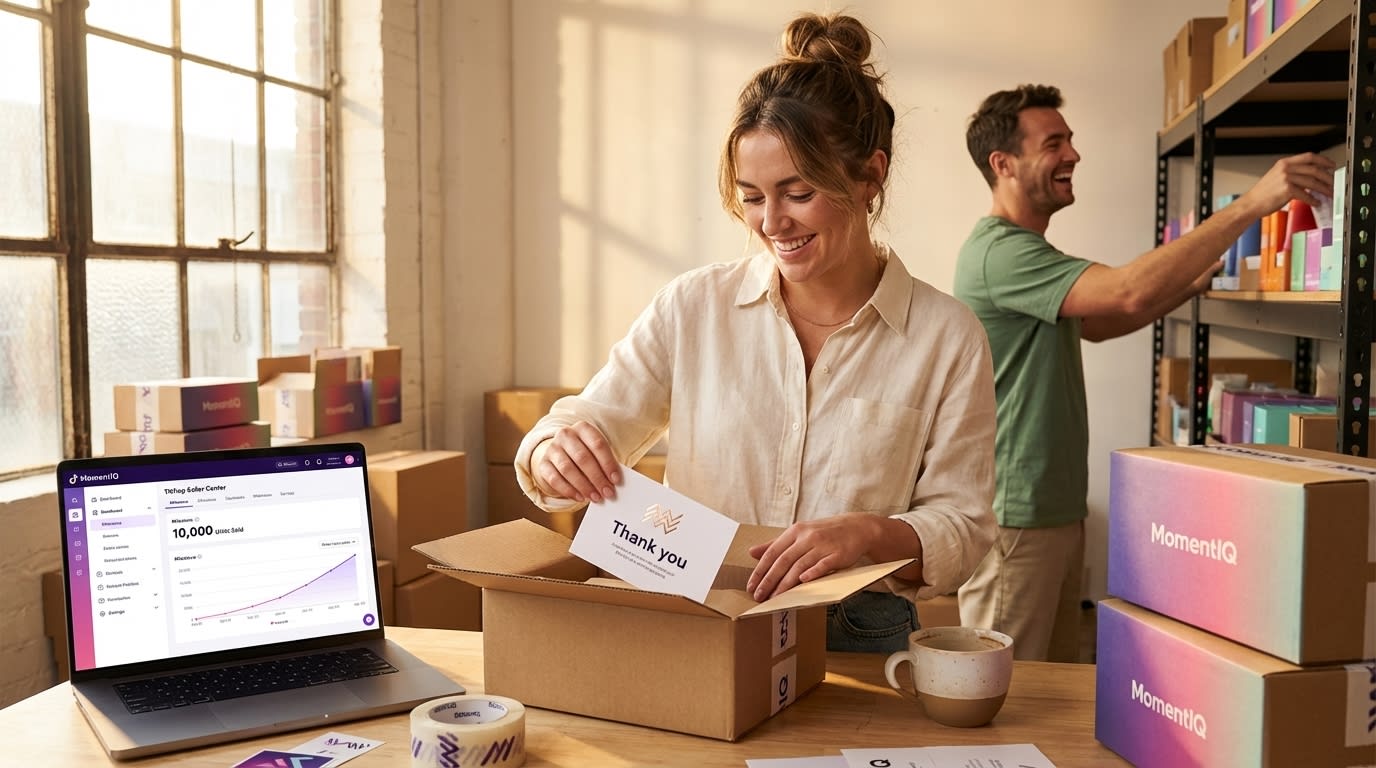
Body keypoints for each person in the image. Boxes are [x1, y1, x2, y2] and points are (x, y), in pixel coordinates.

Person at [513, 12, 998, 654]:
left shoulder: (946, 337)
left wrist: (872, 534)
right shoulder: (693, 307)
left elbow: (963, 527)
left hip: (854, 637)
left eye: (798, 193)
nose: (772, 222)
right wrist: (554, 447)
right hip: (698, 617)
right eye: (751, 196)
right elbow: (587, 421)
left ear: (871, 175)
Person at [953, 83, 1335, 662]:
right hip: (1016, 519)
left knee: (1045, 690)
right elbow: (1127, 293)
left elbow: (1104, 322)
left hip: (1047, 509)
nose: (1073, 155)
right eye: (1054, 142)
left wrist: (1193, 279)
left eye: (1071, 141)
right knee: (1003, 691)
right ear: (1002, 164)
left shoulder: (1027, 254)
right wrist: (1252, 205)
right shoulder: (1000, 252)